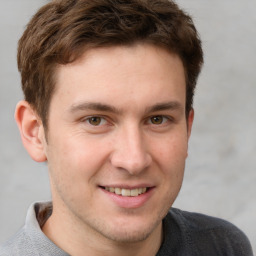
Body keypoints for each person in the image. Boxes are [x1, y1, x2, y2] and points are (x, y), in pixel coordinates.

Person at [0, 0, 253, 255]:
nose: (134, 160)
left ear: (187, 129)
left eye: (158, 119)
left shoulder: (225, 247)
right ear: (34, 132)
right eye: (95, 120)